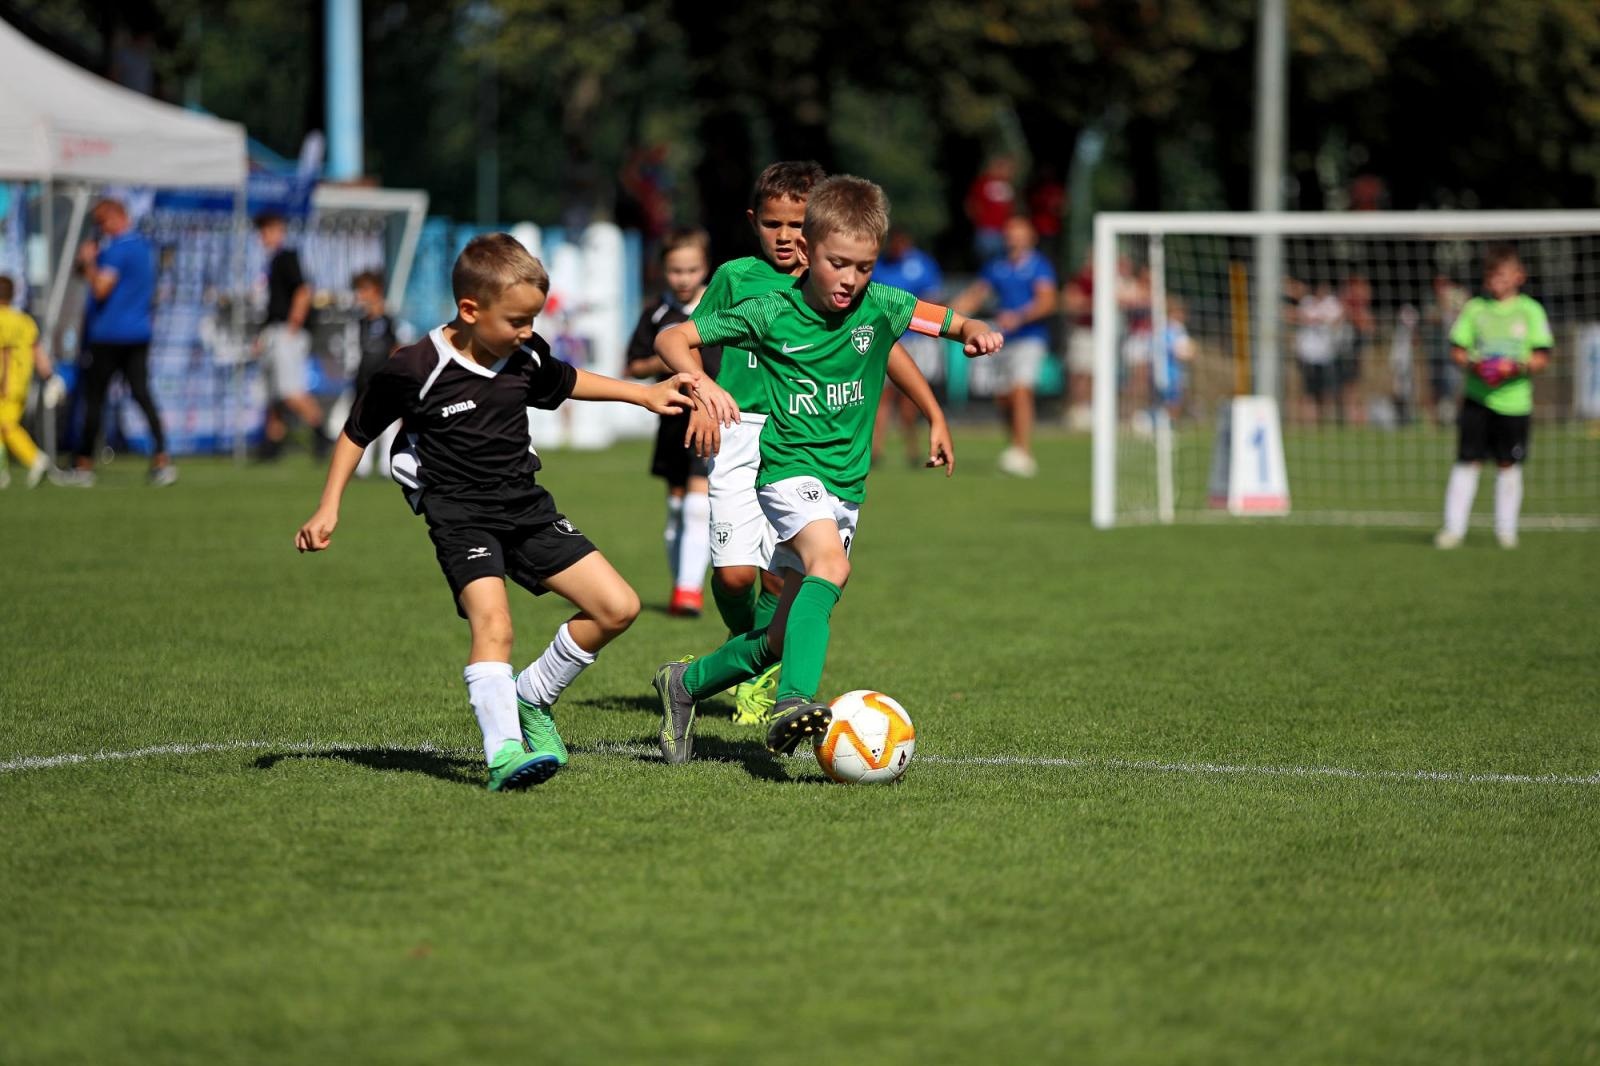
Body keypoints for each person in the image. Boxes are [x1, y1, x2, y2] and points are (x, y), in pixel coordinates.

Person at [294, 234, 696, 791]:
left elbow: (570, 381)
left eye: (532, 319)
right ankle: (504, 751)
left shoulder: (524, 355)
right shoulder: (415, 368)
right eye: (516, 320)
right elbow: (357, 431)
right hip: (460, 516)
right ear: (469, 309)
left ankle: (533, 696)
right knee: (495, 625)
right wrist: (328, 506)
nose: (528, 331)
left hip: (526, 507)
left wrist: (643, 395)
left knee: (617, 607)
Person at [648, 174, 1003, 764]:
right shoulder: (769, 311)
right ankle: (794, 704)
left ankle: (682, 685)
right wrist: (703, 385)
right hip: (787, 471)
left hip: (844, 487)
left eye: (864, 267)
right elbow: (673, 337)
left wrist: (974, 335)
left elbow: (948, 321)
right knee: (829, 566)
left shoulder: (881, 305)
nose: (851, 279)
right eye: (839, 264)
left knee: (780, 635)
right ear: (810, 254)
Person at [624, 227, 721, 618]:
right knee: (677, 507)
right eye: (676, 271)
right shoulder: (657, 314)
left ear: (705, 268)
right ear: (663, 270)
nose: (684, 279)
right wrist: (668, 358)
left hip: (713, 417)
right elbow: (633, 365)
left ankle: (688, 590)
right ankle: (681, 581)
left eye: (692, 270)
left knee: (700, 504)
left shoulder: (720, 307)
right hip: (671, 419)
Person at [1434, 245, 1552, 551]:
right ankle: (1453, 529)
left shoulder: (1530, 311)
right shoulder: (1475, 309)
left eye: (1501, 275)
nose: (1495, 281)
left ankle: (1506, 530)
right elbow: (1457, 350)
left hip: (1514, 404)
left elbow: (1542, 357)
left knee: (1508, 464)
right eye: (1490, 275)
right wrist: (1477, 365)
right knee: (1466, 461)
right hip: (1477, 399)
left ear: (1518, 276)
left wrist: (1514, 367)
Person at [61, 198, 174, 487]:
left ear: (116, 217)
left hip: (109, 335)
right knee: (141, 394)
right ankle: (162, 457)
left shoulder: (117, 249)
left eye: (101, 221)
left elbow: (100, 288)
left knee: (94, 398)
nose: (100, 228)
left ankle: (83, 463)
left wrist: (87, 263)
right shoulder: (143, 247)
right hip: (138, 333)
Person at [954, 215, 1056, 476]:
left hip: (1030, 338)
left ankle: (1023, 451)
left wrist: (1020, 316)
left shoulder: (1039, 266)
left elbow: (1047, 301)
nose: (1013, 237)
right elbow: (975, 296)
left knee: (1021, 391)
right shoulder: (996, 266)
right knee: (1004, 398)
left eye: (1019, 232)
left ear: (1030, 237)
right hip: (1003, 340)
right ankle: (1014, 446)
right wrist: (945, 314)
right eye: (1010, 232)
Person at [254, 213, 325, 460]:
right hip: (274, 330)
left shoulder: (286, 257)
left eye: (267, 230)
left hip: (286, 331)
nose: (263, 237)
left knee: (290, 389)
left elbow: (303, 291)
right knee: (273, 393)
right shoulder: (272, 261)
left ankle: (321, 434)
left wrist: (293, 324)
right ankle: (273, 443)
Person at [871, 229, 944, 466]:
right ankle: (875, 450)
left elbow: (933, 300)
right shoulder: (878, 266)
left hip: (916, 339)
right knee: (880, 396)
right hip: (887, 338)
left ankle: (913, 449)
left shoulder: (923, 264)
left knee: (909, 399)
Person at [0, 275, 61, 488]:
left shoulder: (1, 320)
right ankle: (2, 473)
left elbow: (4, 354)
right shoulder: (25, 321)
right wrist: (50, 377)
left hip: (6, 384)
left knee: (7, 426)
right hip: (23, 383)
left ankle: (36, 459)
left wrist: (3, 382)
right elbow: (37, 351)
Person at [349, 270, 403, 479]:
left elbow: (398, 346)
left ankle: (386, 464)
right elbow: (354, 349)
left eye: (364, 290)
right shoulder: (359, 321)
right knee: (361, 419)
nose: (361, 295)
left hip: (385, 378)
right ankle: (361, 465)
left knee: (389, 421)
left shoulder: (390, 319)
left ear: (376, 291)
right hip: (363, 378)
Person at [1293, 280, 1342, 425]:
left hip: (1326, 356)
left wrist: (1319, 318)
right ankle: (1310, 423)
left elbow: (1337, 320)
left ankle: (1325, 422)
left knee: (1326, 392)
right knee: (1309, 392)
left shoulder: (1332, 303)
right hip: (1308, 356)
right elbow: (1301, 318)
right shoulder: (1307, 302)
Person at [964, 155, 1017, 264]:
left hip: (1004, 231)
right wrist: (980, 221)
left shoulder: (1008, 186)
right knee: (986, 263)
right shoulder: (983, 183)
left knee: (1000, 264)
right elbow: (971, 204)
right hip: (986, 230)